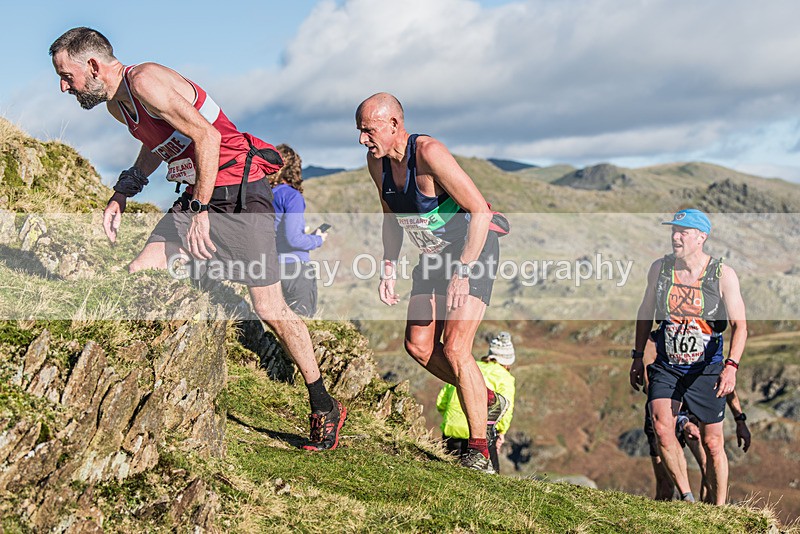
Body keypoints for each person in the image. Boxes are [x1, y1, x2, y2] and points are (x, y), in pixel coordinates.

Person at [50, 27, 345, 451]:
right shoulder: (119, 105)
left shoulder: (145, 81)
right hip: (199, 193)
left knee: (269, 307)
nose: (64, 87)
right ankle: (129, 377)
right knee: (140, 270)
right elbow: (158, 146)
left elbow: (209, 136)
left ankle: (323, 404)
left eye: (67, 75)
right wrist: (123, 192)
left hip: (239, 192)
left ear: (93, 66)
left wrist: (201, 210)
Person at [356, 92, 508, 473]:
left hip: (473, 247)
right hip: (434, 255)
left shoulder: (429, 153)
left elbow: (478, 211)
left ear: (394, 124)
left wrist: (464, 270)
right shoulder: (376, 164)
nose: (363, 139)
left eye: (368, 130)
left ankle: (480, 452)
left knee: (456, 348)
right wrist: (388, 267)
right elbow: (390, 217)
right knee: (419, 346)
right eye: (359, 131)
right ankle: (485, 396)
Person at [630, 208, 747, 504]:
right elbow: (645, 312)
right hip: (668, 366)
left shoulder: (723, 274)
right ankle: (687, 497)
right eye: (673, 231)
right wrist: (637, 355)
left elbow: (740, 326)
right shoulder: (659, 269)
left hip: (706, 368)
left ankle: (719, 510)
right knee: (661, 427)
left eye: (683, 232)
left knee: (712, 441)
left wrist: (730, 367)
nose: (675, 236)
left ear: (701, 237)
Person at [645, 390, 751, 501]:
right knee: (665, 487)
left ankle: (709, 514)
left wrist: (740, 420)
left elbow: (726, 384)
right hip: (663, 411)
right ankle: (664, 514)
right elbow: (653, 387)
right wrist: (682, 422)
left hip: (694, 408)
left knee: (708, 467)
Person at [437, 332, 517, 473]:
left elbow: (441, 402)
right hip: (481, 432)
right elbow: (505, 408)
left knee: (450, 474)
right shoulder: (505, 378)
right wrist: (501, 432)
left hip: (452, 431)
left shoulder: (467, 367)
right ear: (508, 362)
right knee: (488, 477)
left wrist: (453, 419)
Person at [269, 144, 327, 317]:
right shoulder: (291, 195)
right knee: (301, 324)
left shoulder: (263, 195)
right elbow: (293, 239)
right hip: (295, 270)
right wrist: (318, 239)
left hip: (269, 268)